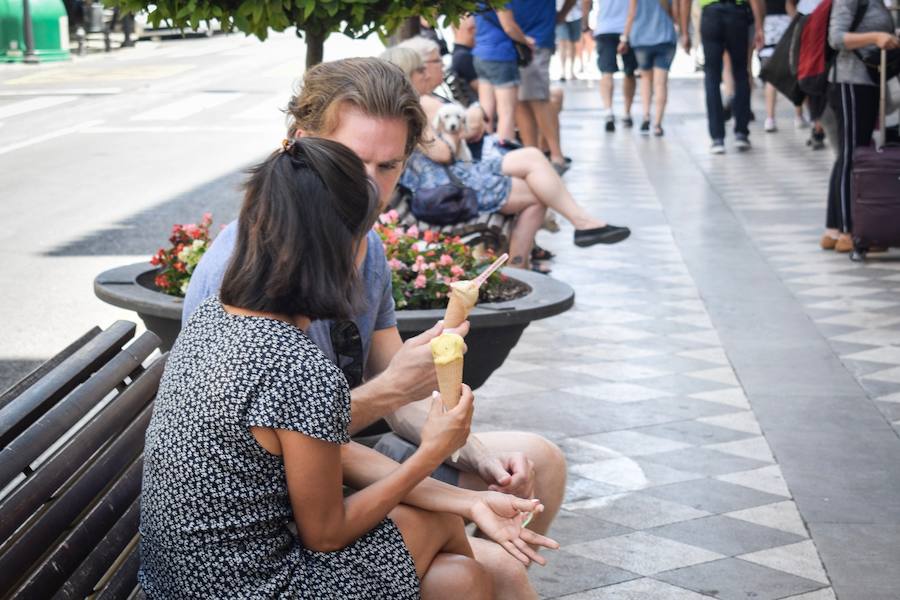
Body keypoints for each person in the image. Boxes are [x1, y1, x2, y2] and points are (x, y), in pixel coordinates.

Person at [183, 57, 563, 599]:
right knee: (478, 569)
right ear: (300, 147)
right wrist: (413, 423)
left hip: (324, 476)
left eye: (388, 168)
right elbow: (298, 456)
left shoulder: (358, 247)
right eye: (352, 162)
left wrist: (467, 454)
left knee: (531, 471)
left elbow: (348, 414)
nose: (370, 190)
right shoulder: (240, 288)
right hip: (277, 519)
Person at [386, 47, 631, 274]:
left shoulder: (410, 107)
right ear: (407, 74)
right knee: (536, 193)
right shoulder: (410, 110)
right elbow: (443, 154)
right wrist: (455, 133)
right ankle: (522, 265)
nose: (425, 73)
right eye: (420, 70)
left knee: (533, 159)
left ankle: (556, 241)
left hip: (454, 178)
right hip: (445, 190)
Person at [821, 0, 899, 252]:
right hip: (850, 80)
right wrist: (876, 36)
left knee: (850, 152)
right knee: (852, 154)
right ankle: (847, 229)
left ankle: (834, 228)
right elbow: (836, 37)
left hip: (864, 81)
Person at [680, 0, 765, 153]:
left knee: (711, 77)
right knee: (741, 73)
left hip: (711, 15)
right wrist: (759, 26)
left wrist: (685, 31)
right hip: (737, 14)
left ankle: (717, 138)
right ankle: (741, 133)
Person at [512, 0, 575, 172]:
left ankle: (555, 155)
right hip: (512, 38)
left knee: (538, 98)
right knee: (520, 100)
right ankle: (533, 154)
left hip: (536, 37)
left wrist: (561, 15)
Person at [473, 3, 536, 146]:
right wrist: (526, 40)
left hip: (481, 53)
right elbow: (509, 27)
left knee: (485, 110)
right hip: (501, 54)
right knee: (506, 111)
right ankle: (503, 154)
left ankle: (483, 151)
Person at [620, 0, 679, 136]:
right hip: (665, 37)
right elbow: (674, 13)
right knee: (661, 83)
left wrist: (624, 38)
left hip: (642, 38)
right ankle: (657, 124)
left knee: (645, 78)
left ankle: (646, 115)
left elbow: (631, 14)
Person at [583, 0, 638, 132]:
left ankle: (609, 112)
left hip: (605, 29)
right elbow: (633, 10)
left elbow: (585, 2)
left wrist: (585, 25)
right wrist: (625, 36)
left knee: (607, 72)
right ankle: (626, 113)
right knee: (629, 73)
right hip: (627, 29)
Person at [759, 0, 803, 132]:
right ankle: (798, 116)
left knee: (771, 74)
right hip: (787, 22)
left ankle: (770, 118)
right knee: (796, 71)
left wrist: (759, 25)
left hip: (769, 26)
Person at [557, 0, 584, 80]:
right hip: (560, 14)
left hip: (576, 15)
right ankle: (563, 71)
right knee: (562, 43)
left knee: (572, 44)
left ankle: (571, 70)